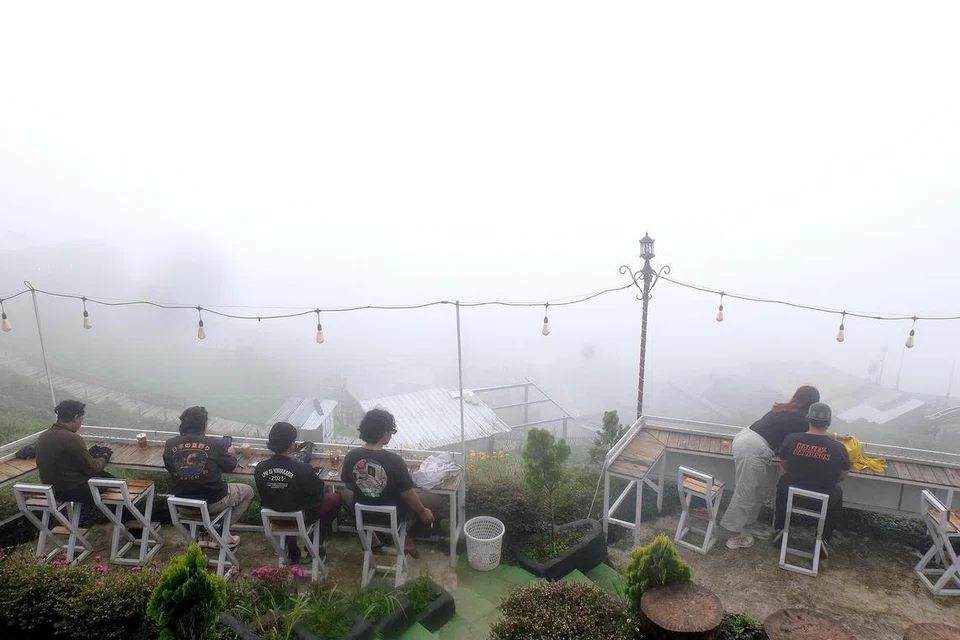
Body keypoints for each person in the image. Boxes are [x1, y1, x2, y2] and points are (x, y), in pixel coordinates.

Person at [719, 385, 845, 549]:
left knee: (758, 490)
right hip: (752, 447)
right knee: (747, 491)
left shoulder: (785, 409)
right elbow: (816, 431)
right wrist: (838, 437)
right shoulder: (799, 418)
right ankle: (735, 535)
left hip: (748, 440)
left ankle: (748, 525)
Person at [341, 408, 435, 557]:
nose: (391, 434)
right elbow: (408, 494)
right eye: (392, 431)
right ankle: (408, 539)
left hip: (364, 515)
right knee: (434, 500)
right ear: (385, 433)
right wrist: (423, 511)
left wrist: (368, 488)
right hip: (392, 516)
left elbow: (348, 485)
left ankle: (374, 540)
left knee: (344, 494)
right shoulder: (395, 461)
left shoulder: (351, 456)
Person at [162, 406, 254, 548]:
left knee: (199, 487)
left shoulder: (170, 444)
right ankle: (220, 534)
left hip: (183, 504)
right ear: (204, 424)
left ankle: (204, 533)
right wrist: (228, 453)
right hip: (213, 502)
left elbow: (171, 467)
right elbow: (230, 466)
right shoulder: (214, 444)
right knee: (248, 491)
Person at [255, 421, 343, 565]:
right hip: (302, 518)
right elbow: (319, 492)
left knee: (285, 503)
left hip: (275, 518)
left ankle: (292, 550)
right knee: (335, 498)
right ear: (292, 445)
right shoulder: (303, 469)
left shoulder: (260, 468)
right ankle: (315, 543)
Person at [774, 402, 851, 555]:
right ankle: (823, 539)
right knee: (837, 492)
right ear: (828, 423)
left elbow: (785, 464)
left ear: (808, 419)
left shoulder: (792, 439)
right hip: (822, 501)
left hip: (793, 496)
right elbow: (842, 475)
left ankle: (780, 529)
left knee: (784, 481)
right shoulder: (838, 448)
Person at [36, 400, 114, 504]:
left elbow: (66, 461)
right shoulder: (72, 438)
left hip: (52, 489)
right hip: (72, 490)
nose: (81, 422)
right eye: (81, 419)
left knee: (104, 477)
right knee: (113, 482)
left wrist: (89, 454)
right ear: (76, 418)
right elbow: (92, 468)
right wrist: (104, 456)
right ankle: (122, 513)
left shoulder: (44, 436)